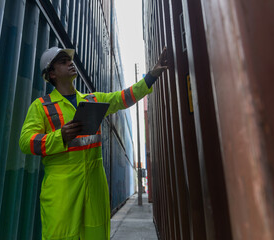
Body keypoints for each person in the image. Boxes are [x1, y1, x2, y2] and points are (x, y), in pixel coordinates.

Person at [19, 46, 167, 240]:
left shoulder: (92, 100)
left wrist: (151, 76)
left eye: (69, 60)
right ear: (52, 73)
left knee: (96, 235)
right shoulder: (41, 107)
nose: (70, 63)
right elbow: (25, 141)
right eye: (63, 62)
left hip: (94, 187)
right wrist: (59, 136)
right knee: (61, 236)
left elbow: (122, 98)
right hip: (62, 190)